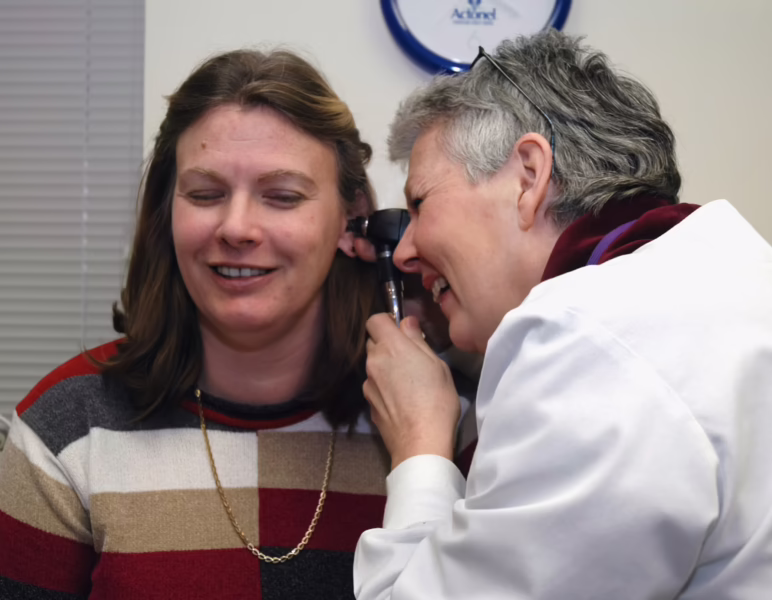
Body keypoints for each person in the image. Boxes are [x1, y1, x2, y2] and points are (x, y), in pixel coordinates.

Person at [354, 30, 772, 598]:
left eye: (421, 203)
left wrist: (420, 444)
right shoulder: (720, 276)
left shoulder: (591, 352)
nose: (403, 251)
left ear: (529, 175)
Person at [0, 49, 392, 599]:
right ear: (167, 211)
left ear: (351, 220)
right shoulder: (65, 430)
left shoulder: (430, 422)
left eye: (282, 197)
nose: (236, 228)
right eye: (205, 195)